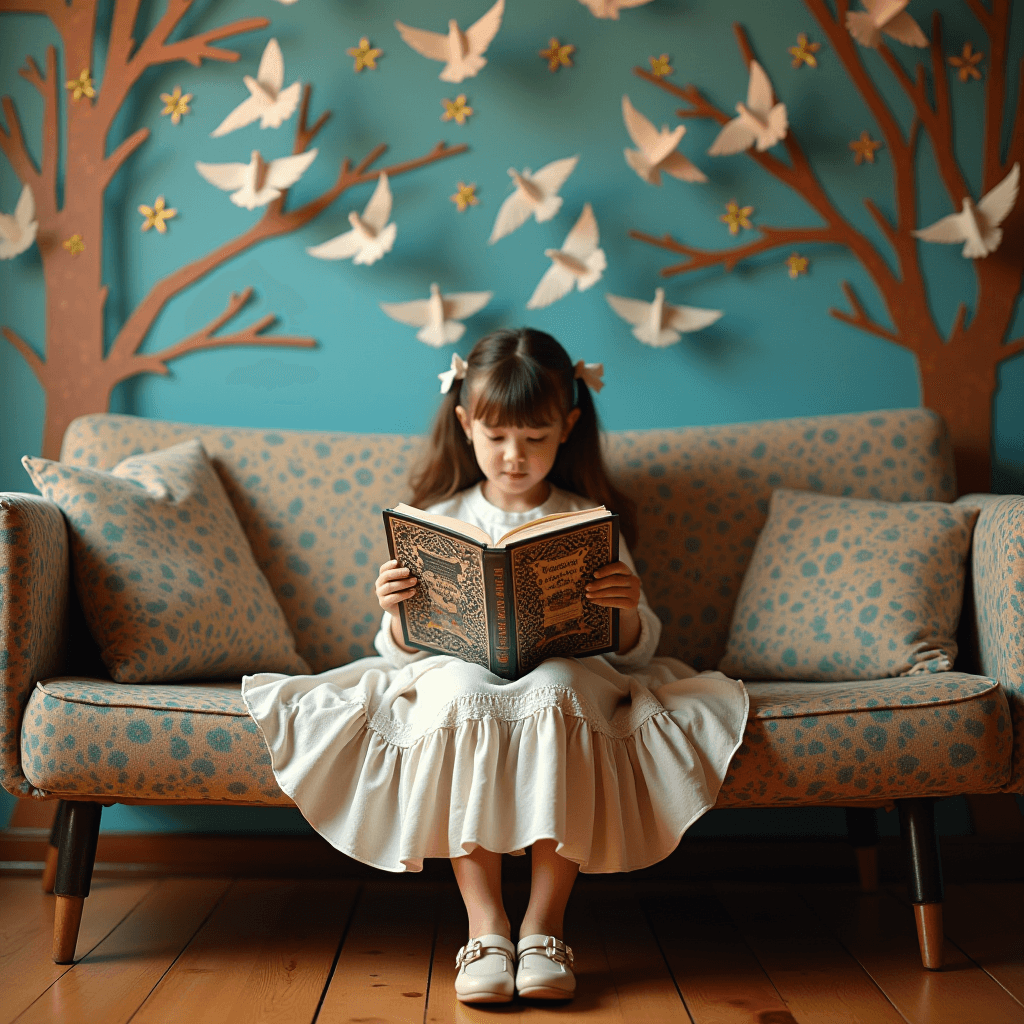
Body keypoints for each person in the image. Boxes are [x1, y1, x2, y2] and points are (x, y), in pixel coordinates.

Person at [242, 327, 748, 1005]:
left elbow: (638, 647)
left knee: (560, 685)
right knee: (457, 693)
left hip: (568, 672)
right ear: (464, 425)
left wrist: (625, 607)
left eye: (535, 438)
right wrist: (396, 610)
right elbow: (396, 653)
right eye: (497, 437)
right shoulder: (437, 517)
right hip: (458, 672)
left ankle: (544, 927)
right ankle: (486, 925)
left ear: (568, 428)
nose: (515, 457)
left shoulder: (588, 521)